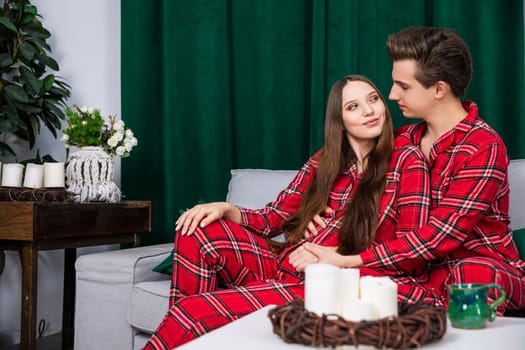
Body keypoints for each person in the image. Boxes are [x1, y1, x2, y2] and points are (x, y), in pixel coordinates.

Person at [142, 74, 437, 350]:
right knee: (196, 228)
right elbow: (271, 219)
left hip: (328, 282)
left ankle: (191, 325)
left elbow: (411, 249)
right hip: (281, 267)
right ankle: (193, 335)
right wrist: (225, 208)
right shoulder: (325, 162)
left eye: (373, 100)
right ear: (340, 120)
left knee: (191, 311)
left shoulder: (406, 160)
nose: (369, 111)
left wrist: (331, 254)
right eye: (354, 106)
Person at [296, 26, 525, 314]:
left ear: (438, 89)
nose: (391, 95)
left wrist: (351, 259)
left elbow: (441, 235)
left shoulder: (483, 146)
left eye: (403, 86)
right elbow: (344, 168)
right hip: (412, 273)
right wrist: (318, 211)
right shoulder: (401, 139)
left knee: (473, 276)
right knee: (338, 283)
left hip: (480, 267)